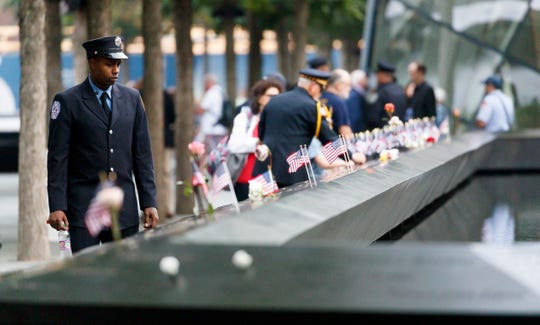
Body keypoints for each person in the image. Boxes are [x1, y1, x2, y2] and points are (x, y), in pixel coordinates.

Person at [46, 35, 159, 254]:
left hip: (123, 209)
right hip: (83, 211)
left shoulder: (132, 99)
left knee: (124, 275)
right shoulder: (67, 101)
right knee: (87, 278)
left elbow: (143, 157)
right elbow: (58, 159)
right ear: (93, 63)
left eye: (118, 64)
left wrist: (149, 202)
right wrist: (57, 206)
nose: (115, 70)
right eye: (109, 64)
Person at [255, 68, 366, 188]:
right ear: (312, 86)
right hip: (293, 172)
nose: (321, 93)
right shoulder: (312, 107)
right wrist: (351, 156)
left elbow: (261, 134)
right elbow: (328, 140)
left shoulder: (274, 101)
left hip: (265, 171)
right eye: (320, 88)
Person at [227, 78, 284, 201]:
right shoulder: (245, 118)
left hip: (272, 177)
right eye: (270, 96)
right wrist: (258, 142)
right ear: (259, 98)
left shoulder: (281, 118)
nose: (274, 99)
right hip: (247, 178)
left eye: (278, 96)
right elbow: (234, 145)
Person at [366, 61, 408, 130]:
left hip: (383, 132)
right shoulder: (401, 90)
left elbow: (373, 117)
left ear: (382, 75)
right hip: (399, 130)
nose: (377, 77)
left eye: (378, 74)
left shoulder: (382, 91)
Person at [195, 73, 229, 152]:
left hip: (211, 129)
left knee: (211, 154)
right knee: (219, 152)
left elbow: (201, 110)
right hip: (220, 128)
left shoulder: (211, 93)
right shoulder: (221, 92)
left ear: (209, 83)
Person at [321, 68, 354, 140]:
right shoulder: (338, 103)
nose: (350, 88)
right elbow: (345, 132)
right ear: (339, 85)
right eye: (348, 85)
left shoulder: (318, 97)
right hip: (333, 146)